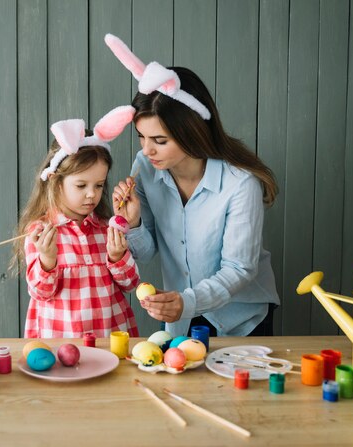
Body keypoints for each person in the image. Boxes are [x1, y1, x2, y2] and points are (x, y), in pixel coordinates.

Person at [105, 34, 280, 337]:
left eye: (160, 140)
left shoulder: (240, 184)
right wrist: (132, 224)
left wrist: (188, 302)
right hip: (179, 318)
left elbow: (240, 269)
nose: (147, 150)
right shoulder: (144, 167)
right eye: (141, 137)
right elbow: (146, 252)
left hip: (242, 320)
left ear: (191, 131)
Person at [12, 106, 140, 338]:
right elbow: (40, 293)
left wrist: (117, 257)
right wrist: (48, 260)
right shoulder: (40, 233)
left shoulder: (106, 229)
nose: (92, 194)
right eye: (81, 186)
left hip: (109, 340)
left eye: (99, 185)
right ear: (55, 182)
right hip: (61, 343)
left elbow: (131, 285)